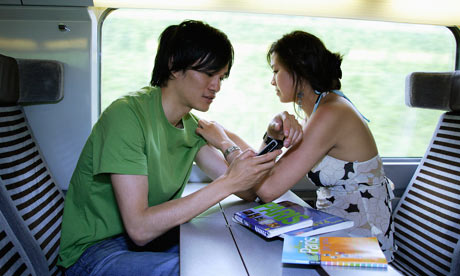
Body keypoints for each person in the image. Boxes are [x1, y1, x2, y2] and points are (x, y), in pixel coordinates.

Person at [57, 20, 302, 276]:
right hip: (94, 252)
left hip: (153, 240)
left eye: (221, 77)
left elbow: (249, 190)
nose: (216, 86)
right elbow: (139, 229)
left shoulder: (191, 126)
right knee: (203, 271)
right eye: (209, 74)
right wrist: (229, 181)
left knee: (239, 253)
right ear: (174, 66)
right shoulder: (127, 116)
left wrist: (269, 138)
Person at [197, 30, 395, 261]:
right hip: (336, 233)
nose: (272, 81)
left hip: (364, 246)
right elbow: (268, 172)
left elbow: (268, 189)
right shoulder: (320, 112)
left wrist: (224, 142)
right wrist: (272, 135)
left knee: (263, 257)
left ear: (298, 69)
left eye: (276, 71)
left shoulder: (332, 113)